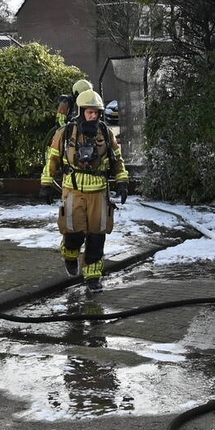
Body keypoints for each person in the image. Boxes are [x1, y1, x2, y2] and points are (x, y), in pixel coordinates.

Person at [42, 89, 129, 292]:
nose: (94, 116)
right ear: (81, 112)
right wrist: (45, 184)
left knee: (97, 238)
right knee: (73, 233)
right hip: (73, 191)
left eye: (96, 113)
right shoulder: (65, 133)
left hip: (99, 194)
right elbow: (52, 159)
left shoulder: (106, 133)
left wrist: (122, 182)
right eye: (90, 112)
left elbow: (117, 160)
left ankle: (93, 277)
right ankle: (70, 255)